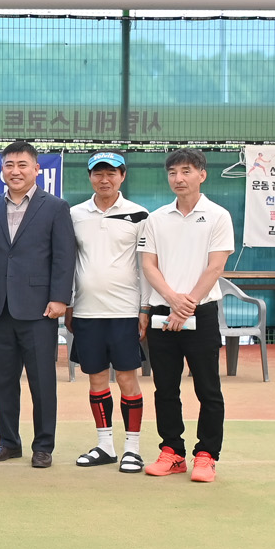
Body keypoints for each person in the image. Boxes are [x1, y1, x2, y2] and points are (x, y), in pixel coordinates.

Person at [0, 140, 76, 468]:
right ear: (2, 170)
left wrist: (60, 298)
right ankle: (8, 442)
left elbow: (64, 256)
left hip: (39, 309)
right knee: (4, 381)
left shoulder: (55, 207)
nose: (15, 171)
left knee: (42, 381)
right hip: (0, 308)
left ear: (37, 169)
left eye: (22, 165)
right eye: (9, 165)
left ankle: (43, 446)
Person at [140, 148, 234, 483]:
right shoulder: (156, 218)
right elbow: (148, 265)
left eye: (186, 171)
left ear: (201, 175)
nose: (178, 179)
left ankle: (207, 456)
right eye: (172, 173)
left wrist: (188, 304)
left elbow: (216, 266)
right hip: (163, 315)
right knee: (165, 388)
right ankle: (172, 452)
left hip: (201, 313)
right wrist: (172, 301)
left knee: (208, 389)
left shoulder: (218, 216)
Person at [67, 152, 151, 472]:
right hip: (86, 312)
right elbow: (69, 262)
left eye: (111, 173)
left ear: (122, 176)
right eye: (98, 173)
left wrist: (144, 308)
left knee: (128, 378)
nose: (105, 180)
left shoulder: (139, 215)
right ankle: (105, 446)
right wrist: (70, 304)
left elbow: (147, 266)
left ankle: (132, 449)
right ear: (90, 177)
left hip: (125, 311)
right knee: (97, 379)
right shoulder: (74, 214)